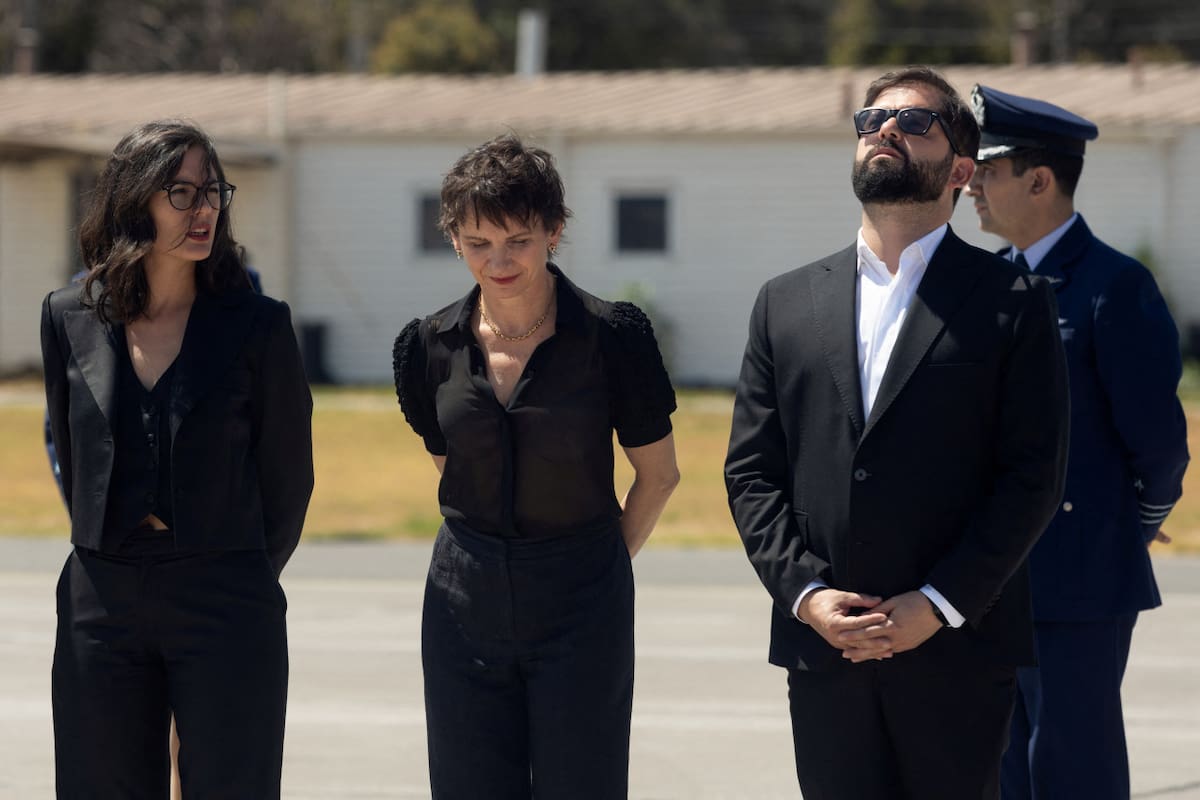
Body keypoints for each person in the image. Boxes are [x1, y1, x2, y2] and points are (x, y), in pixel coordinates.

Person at [724, 66, 1070, 800]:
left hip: (956, 652)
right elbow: (753, 473)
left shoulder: (1015, 303)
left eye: (914, 124)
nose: (886, 130)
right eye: (872, 119)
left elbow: (1032, 476)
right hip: (827, 650)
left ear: (961, 169)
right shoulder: (782, 303)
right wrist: (806, 594)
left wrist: (939, 603)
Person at [392, 133, 679, 799]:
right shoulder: (426, 347)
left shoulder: (614, 337)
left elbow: (659, 475)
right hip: (462, 600)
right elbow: (453, 465)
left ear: (553, 232)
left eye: (517, 239)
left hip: (582, 599)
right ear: (455, 241)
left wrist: (600, 564)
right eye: (477, 242)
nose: (497, 260)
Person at [41, 119, 313, 798]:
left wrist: (238, 572)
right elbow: (73, 457)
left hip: (226, 594)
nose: (205, 211)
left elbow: (289, 480)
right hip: (101, 598)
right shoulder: (69, 317)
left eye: (213, 191)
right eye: (182, 193)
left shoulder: (259, 325)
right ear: (135, 202)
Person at [966, 84, 1190, 800]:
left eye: (988, 171)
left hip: (1082, 574)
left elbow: (1158, 447)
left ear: (1039, 180)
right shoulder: (993, 284)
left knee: (1069, 765)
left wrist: (1126, 527)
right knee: (1000, 763)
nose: (971, 185)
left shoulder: (1113, 288)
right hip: (994, 575)